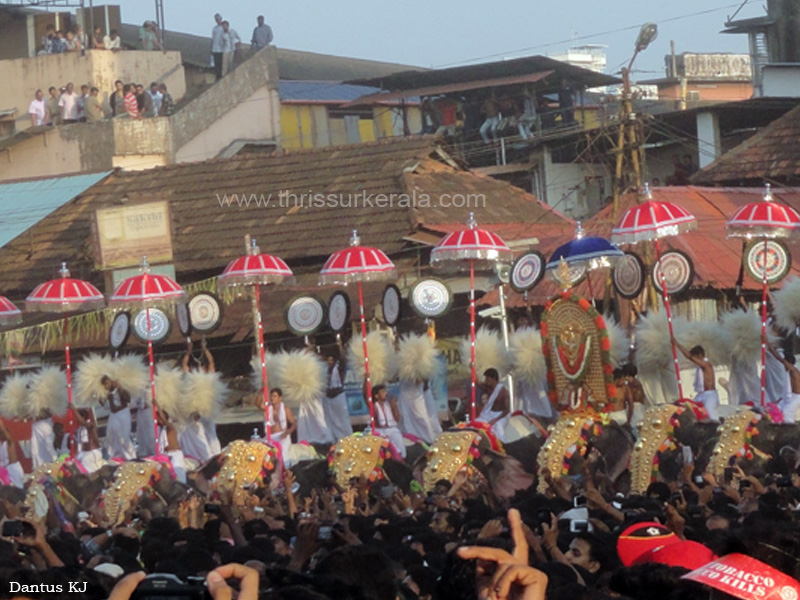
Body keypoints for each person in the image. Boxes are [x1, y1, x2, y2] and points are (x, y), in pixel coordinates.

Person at [676, 342, 719, 421]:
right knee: (689, 408)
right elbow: (689, 356)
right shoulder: (700, 366)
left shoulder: (706, 364)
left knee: (710, 412)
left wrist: (677, 344)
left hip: (710, 395)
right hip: (700, 394)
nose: (694, 360)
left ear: (699, 355)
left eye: (695, 357)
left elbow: (689, 357)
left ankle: (717, 429)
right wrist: (677, 345)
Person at [101, 374, 136, 460]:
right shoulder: (107, 394)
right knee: (112, 436)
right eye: (104, 384)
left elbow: (128, 399)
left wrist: (120, 389)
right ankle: (116, 456)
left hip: (123, 415)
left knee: (124, 437)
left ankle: (132, 456)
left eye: (107, 383)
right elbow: (105, 406)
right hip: (113, 416)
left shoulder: (120, 389)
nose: (106, 386)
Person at [323, 344, 352, 440]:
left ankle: (347, 438)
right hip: (328, 398)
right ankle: (334, 440)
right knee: (331, 421)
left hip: (338, 396)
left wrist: (340, 345)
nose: (329, 362)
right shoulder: (325, 370)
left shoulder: (339, 368)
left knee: (342, 419)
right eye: (328, 360)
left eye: (331, 360)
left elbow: (343, 358)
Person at [398, 378, 437, 444]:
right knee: (405, 416)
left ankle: (429, 439)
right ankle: (412, 438)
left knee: (421, 417)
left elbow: (422, 381)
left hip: (416, 395)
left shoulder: (420, 371)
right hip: (404, 394)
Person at [263, 388, 296, 466]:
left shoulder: (286, 410)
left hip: (282, 436)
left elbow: (294, 424)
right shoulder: (268, 409)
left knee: (283, 452)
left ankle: (286, 469)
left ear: (280, 398)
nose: (272, 398)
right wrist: (261, 391)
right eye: (271, 396)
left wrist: (286, 433)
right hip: (270, 436)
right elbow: (258, 404)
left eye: (275, 396)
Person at [769, 343, 800, 423]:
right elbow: (786, 392)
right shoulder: (788, 373)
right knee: (776, 408)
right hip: (790, 397)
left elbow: (780, 359)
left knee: (786, 413)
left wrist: (770, 348)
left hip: (797, 398)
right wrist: (778, 401)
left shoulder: (794, 370)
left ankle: (792, 432)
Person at [373, 384, 406, 458]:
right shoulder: (374, 406)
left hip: (391, 429)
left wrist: (394, 405)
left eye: (385, 391)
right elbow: (366, 395)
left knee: (399, 443)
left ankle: (401, 459)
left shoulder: (389, 404)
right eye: (383, 392)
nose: (386, 393)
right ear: (377, 396)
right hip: (379, 431)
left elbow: (397, 419)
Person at [477, 368, 511, 439]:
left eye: (487, 379)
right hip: (489, 414)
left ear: (494, 378)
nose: (486, 381)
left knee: (498, 427)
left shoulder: (504, 391)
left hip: (500, 415)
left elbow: (507, 410)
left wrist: (495, 420)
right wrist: (472, 368)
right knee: (477, 423)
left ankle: (500, 446)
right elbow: (477, 382)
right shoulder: (488, 387)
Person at [73, 408, 103, 473]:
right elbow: (78, 447)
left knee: (85, 461)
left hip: (93, 452)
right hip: (85, 453)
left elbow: (83, 423)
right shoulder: (78, 430)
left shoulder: (90, 425)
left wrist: (73, 409)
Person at [211, 13, 225, 81]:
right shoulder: (214, 29)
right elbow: (213, 39)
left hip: (221, 49)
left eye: (218, 19)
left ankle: (221, 75)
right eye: (216, 19)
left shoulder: (223, 28)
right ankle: (218, 76)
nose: (217, 20)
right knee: (216, 63)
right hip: (215, 49)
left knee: (221, 63)